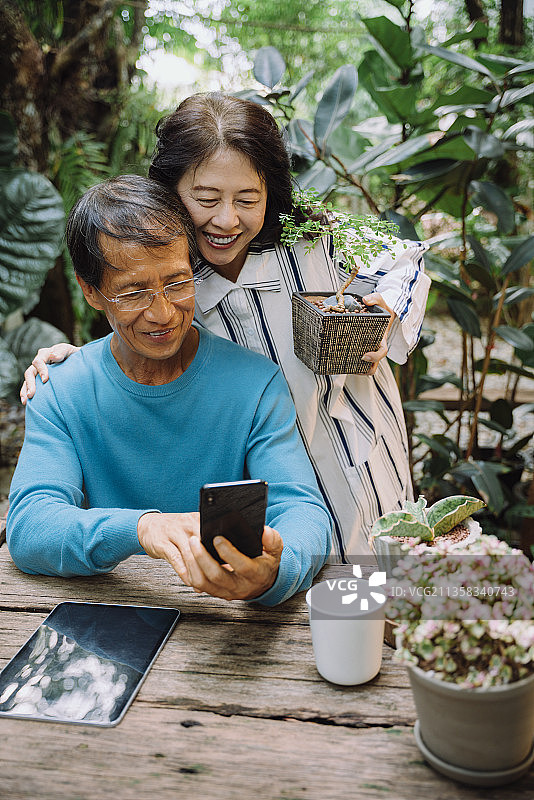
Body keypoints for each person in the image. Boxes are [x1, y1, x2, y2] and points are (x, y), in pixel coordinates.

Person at [21, 92, 430, 562]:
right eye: (206, 199)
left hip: (359, 462)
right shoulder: (176, 272)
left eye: (248, 199)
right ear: (170, 193)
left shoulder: (316, 240)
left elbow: (405, 262)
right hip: (273, 493)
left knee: (391, 591)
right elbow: (132, 310)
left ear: (271, 194)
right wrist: (77, 363)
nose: (226, 220)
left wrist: (387, 310)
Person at [7, 175, 331, 605]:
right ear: (91, 291)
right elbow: (30, 525)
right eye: (133, 291)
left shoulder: (256, 384)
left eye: (177, 283)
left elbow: (304, 512)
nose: (162, 313)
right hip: (109, 623)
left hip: (231, 626)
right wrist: (145, 529)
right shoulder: (60, 390)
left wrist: (274, 571)